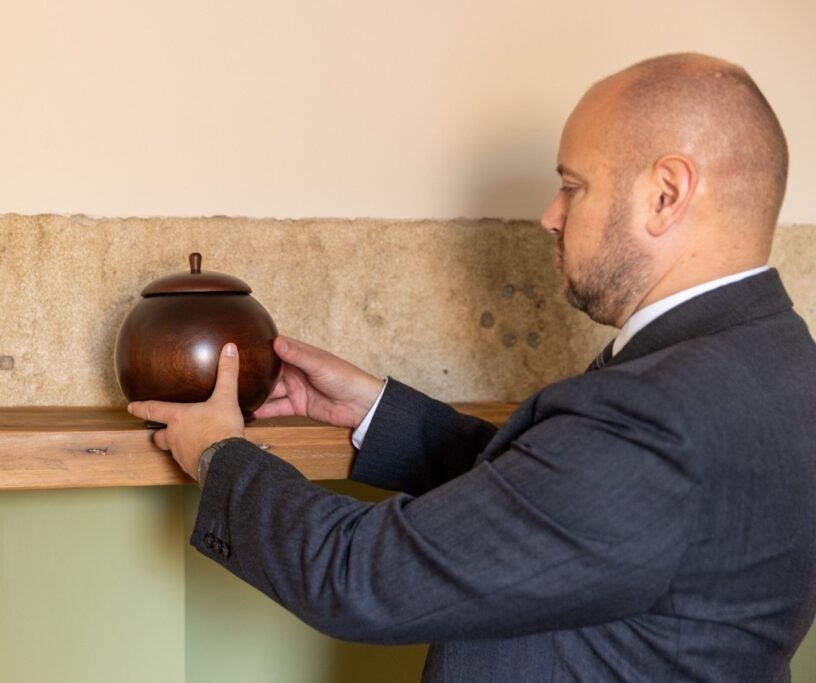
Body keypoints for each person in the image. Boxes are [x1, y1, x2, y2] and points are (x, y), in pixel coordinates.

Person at [129, 53, 816, 681]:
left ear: (666, 194)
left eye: (573, 186)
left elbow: (362, 577)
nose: (549, 216)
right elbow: (564, 511)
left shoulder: (656, 412)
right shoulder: (781, 360)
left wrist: (219, 454)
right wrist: (376, 411)